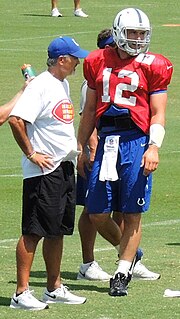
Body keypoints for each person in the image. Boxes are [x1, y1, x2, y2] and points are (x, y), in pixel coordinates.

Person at [77, 7, 173, 297]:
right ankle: (131, 255)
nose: (138, 39)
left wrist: (154, 146)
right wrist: (81, 145)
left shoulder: (154, 65)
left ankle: (121, 271)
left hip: (136, 139)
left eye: (142, 34)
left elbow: (158, 113)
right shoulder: (96, 61)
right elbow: (90, 109)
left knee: (132, 212)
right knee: (96, 212)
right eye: (133, 33)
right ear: (118, 32)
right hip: (107, 140)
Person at [8, 36, 89, 310]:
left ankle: (53, 288)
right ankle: (21, 293)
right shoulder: (41, 85)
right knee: (33, 231)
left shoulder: (62, 83)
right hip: (43, 170)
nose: (78, 61)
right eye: (74, 57)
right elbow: (16, 120)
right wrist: (32, 153)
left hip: (63, 167)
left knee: (57, 231)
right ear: (62, 60)